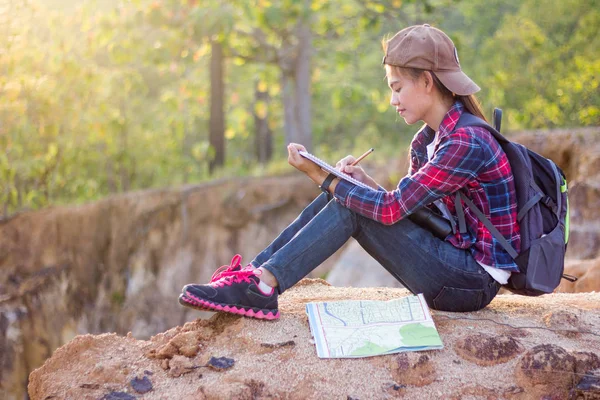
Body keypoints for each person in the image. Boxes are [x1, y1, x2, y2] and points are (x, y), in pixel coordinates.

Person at [178, 24, 521, 320]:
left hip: (472, 281)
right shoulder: (427, 141)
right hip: (450, 260)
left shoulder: (466, 142)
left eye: (397, 87)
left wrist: (321, 175)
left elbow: (388, 212)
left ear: (428, 82)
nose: (392, 100)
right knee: (342, 193)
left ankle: (263, 287)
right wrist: (360, 183)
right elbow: (414, 210)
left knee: (346, 202)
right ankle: (254, 275)